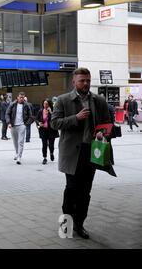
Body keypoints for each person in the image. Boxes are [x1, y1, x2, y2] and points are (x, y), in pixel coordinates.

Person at [51, 67, 111, 239]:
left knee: (85, 192)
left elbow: (108, 123)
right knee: (71, 190)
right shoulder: (63, 100)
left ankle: (79, 224)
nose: (85, 83)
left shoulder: (99, 100)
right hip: (71, 153)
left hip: (91, 152)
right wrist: (75, 118)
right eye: (82, 80)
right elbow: (54, 123)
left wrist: (103, 133)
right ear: (74, 82)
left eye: (88, 80)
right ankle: (66, 225)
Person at [5, 92, 32, 165]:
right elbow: (7, 114)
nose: (21, 99)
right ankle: (16, 152)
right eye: (20, 97)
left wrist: (26, 124)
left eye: (23, 97)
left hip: (22, 125)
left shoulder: (26, 105)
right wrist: (9, 123)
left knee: (20, 142)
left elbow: (30, 116)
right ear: (17, 97)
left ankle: (19, 157)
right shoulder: (12, 104)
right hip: (13, 125)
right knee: (15, 141)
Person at [36, 99, 59, 165]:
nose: (45, 105)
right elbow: (37, 119)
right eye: (44, 104)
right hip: (43, 130)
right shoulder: (40, 111)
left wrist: (51, 112)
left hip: (51, 130)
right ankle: (45, 158)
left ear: (49, 104)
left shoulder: (53, 111)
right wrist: (39, 123)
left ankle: (51, 153)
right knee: (44, 144)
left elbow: (55, 119)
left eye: (47, 104)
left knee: (51, 145)